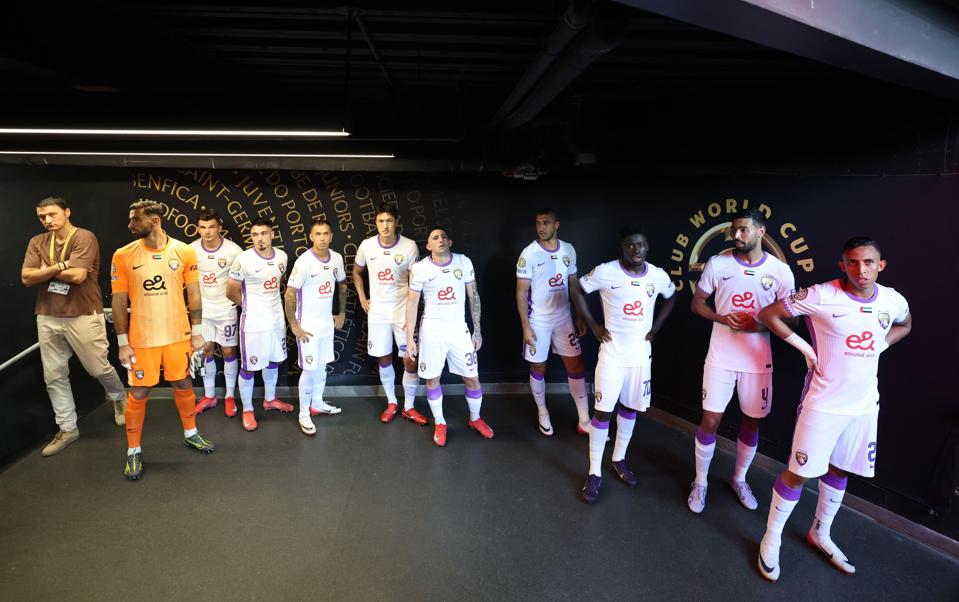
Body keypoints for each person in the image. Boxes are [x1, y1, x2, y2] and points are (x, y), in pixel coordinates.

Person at [755, 237, 911, 582]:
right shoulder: (822, 294)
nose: (861, 270)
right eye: (853, 263)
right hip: (824, 404)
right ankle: (771, 538)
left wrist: (881, 347)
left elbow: (906, 322)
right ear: (842, 265)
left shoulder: (892, 299)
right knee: (797, 473)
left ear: (880, 265)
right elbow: (768, 314)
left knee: (840, 471)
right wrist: (805, 350)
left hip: (864, 406)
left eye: (868, 262)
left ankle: (820, 533)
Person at [687, 209, 796, 514]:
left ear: (761, 232)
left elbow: (793, 320)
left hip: (757, 362)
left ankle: (739, 479)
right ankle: (701, 482)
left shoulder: (780, 271)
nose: (737, 236)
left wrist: (760, 325)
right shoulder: (718, 264)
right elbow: (697, 304)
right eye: (734, 230)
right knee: (710, 420)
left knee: (751, 422)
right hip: (720, 357)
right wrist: (721, 317)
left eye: (744, 230)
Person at [570, 226, 676, 503]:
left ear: (647, 247)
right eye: (630, 245)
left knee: (630, 408)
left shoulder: (657, 275)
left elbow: (671, 295)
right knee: (603, 413)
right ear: (623, 248)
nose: (636, 250)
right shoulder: (607, 272)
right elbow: (576, 287)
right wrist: (592, 324)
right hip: (613, 355)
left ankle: (619, 459)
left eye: (640, 245)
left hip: (641, 356)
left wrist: (657, 326)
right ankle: (594, 473)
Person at [111, 200, 215, 480]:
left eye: (136, 220)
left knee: (182, 382)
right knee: (140, 392)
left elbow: (194, 294)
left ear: (154, 221)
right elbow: (119, 300)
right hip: (142, 340)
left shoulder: (184, 251)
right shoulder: (122, 255)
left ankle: (191, 433)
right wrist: (122, 342)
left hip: (177, 337)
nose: (130, 225)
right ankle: (133, 451)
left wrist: (197, 334)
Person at [21, 195, 127, 456]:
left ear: (67, 212)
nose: (47, 220)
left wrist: (45, 270)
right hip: (47, 315)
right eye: (42, 217)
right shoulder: (37, 241)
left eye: (52, 215)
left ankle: (119, 398)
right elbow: (26, 277)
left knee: (98, 367)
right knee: (54, 376)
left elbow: (78, 276)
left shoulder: (84, 237)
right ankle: (68, 428)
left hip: (83, 314)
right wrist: (61, 265)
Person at [405, 228, 492, 447]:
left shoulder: (463, 262)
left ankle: (475, 418)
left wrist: (477, 330)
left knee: (472, 377)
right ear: (428, 246)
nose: (440, 240)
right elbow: (412, 303)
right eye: (435, 238)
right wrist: (410, 338)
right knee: (432, 379)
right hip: (432, 331)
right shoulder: (420, 268)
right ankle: (441, 422)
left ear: (450, 242)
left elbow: (474, 296)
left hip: (458, 330)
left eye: (443, 236)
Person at [515, 208, 590, 436]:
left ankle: (585, 420)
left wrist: (579, 314)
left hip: (564, 318)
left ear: (556, 225)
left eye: (546, 223)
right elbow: (520, 293)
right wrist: (526, 326)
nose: (541, 227)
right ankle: (542, 411)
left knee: (576, 365)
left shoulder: (568, 249)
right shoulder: (529, 254)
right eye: (538, 223)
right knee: (539, 365)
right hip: (538, 320)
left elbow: (574, 283)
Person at [353, 203, 427, 426]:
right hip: (378, 313)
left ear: (396, 222)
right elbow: (357, 272)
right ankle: (392, 402)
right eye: (380, 221)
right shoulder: (367, 246)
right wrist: (362, 297)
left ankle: (410, 407)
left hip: (403, 312)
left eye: (389, 221)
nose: (385, 226)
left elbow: (416, 278)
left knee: (410, 360)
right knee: (383, 357)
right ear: (376, 223)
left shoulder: (409, 246)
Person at [226, 217, 292, 431]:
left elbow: (279, 282)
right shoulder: (243, 260)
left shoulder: (282, 256)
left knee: (274, 361)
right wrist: (248, 306)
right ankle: (247, 410)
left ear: (272, 234)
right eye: (255, 234)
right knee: (249, 367)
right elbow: (230, 291)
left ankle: (270, 399)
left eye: (263, 233)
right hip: (253, 323)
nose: (259, 238)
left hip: (276, 320)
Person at [285, 219, 348, 435]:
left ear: (331, 236)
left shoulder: (337, 258)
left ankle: (317, 403)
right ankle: (304, 414)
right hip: (308, 327)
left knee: (321, 366)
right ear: (311, 237)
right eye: (317, 234)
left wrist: (341, 313)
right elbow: (290, 293)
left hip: (326, 325)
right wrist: (294, 325)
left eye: (326, 234)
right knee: (310, 369)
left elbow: (342, 285)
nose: (322, 238)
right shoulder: (304, 262)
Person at [190, 208, 243, 417]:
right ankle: (210, 396)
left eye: (211, 227)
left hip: (226, 310)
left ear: (219, 228)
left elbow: (243, 280)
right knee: (206, 351)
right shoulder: (190, 250)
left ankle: (229, 396)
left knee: (229, 352)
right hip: (203, 312)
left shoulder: (233, 251)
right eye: (202, 227)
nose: (207, 232)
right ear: (198, 229)